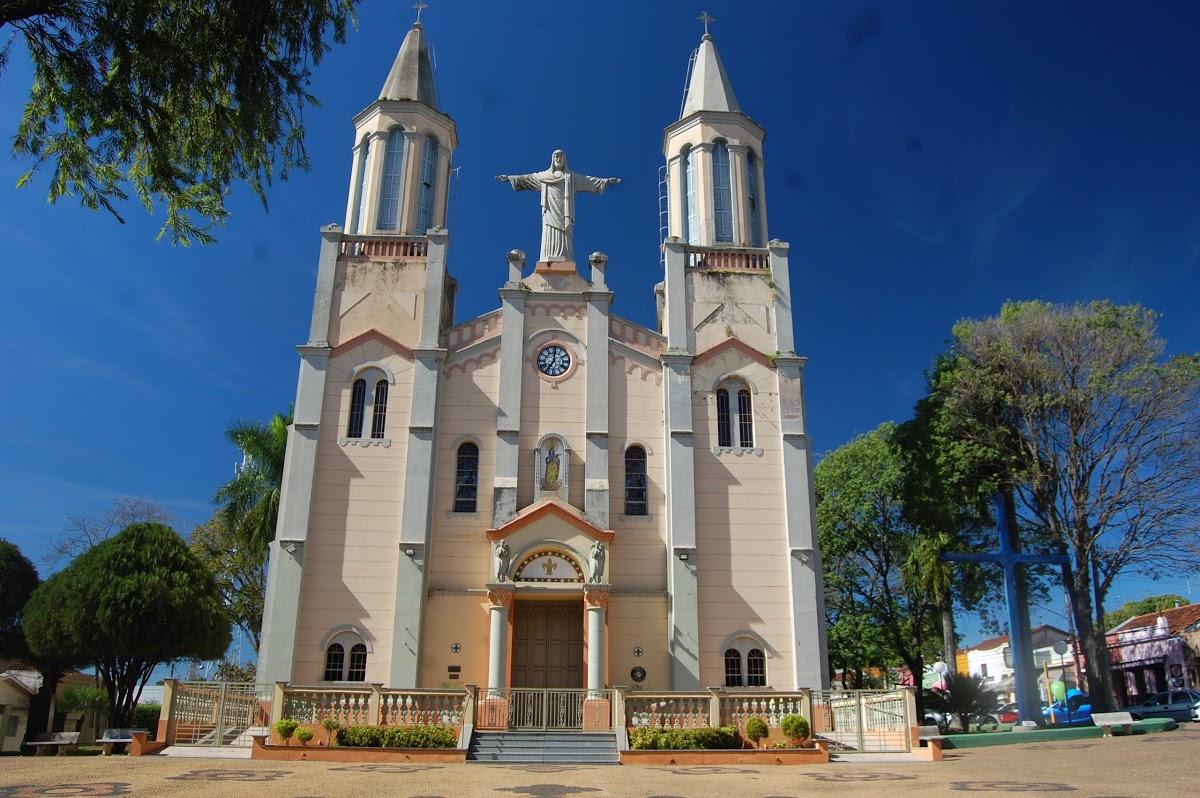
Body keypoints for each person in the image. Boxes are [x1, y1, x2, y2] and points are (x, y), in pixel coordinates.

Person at [497, 150, 620, 263]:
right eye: (556, 156)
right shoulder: (544, 176)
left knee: (565, 233)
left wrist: (606, 181)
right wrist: (510, 178)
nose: (558, 158)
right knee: (549, 232)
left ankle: (565, 258)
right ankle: (547, 258)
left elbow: (587, 180)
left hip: (564, 210)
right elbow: (528, 178)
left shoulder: (570, 176)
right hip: (549, 210)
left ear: (564, 159)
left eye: (561, 156)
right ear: (552, 159)